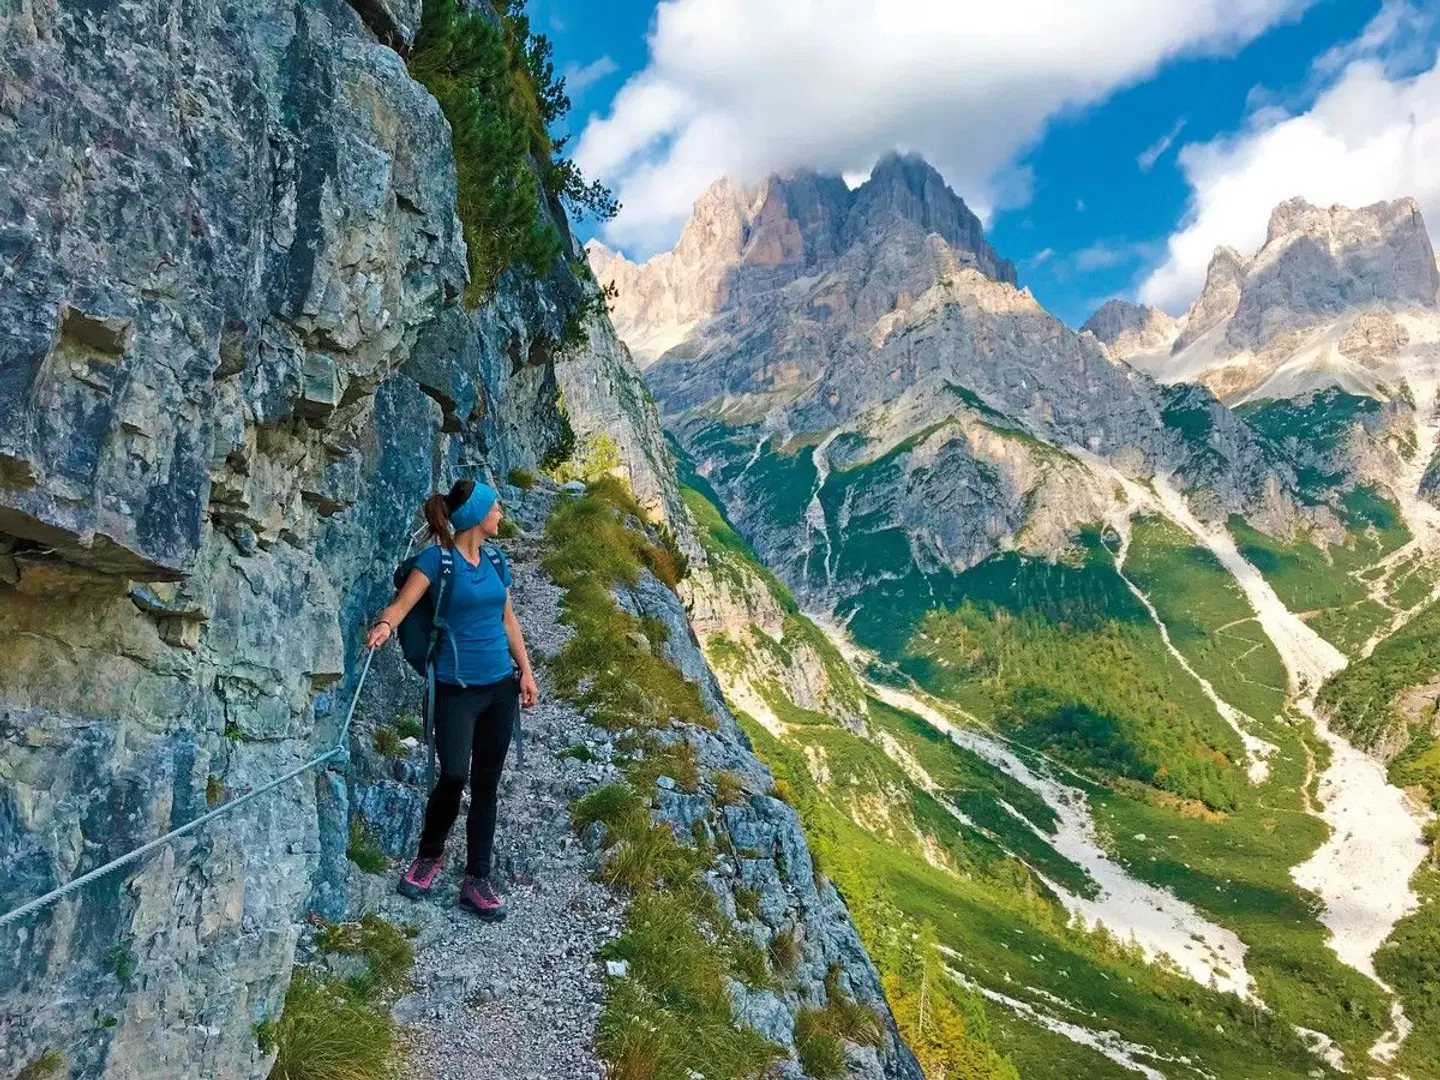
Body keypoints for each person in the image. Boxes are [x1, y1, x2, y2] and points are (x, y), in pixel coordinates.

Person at [364, 479, 540, 921]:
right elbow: (402, 605)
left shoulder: (496, 560)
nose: (500, 515)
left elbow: (508, 619)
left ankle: (477, 879)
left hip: (500, 688)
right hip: (454, 690)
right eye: (495, 508)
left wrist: (526, 671)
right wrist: (384, 626)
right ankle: (429, 855)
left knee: (486, 783)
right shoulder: (437, 561)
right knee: (454, 774)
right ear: (476, 515)